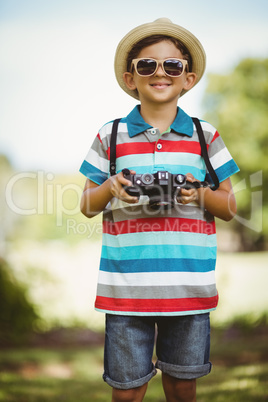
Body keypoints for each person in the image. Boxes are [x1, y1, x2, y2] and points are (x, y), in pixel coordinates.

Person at [80, 18, 239, 402]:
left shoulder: (206, 135)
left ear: (188, 77)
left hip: (188, 286)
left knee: (183, 386)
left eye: (172, 65)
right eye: (147, 65)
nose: (160, 73)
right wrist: (112, 187)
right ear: (130, 77)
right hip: (126, 288)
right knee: (127, 391)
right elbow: (86, 204)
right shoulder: (110, 134)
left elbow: (231, 206)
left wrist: (199, 193)